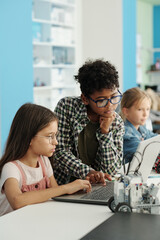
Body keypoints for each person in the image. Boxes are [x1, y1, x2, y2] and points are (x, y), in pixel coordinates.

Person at [0, 103, 91, 216]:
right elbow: (17, 201)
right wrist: (66, 187)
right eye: (49, 136)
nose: (56, 142)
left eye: (55, 135)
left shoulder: (44, 161)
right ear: (29, 138)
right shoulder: (11, 168)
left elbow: (56, 192)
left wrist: (76, 190)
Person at [52, 59, 125, 185]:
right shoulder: (67, 107)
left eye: (114, 97)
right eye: (101, 101)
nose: (110, 106)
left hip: (97, 187)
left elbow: (111, 170)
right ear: (85, 99)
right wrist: (89, 172)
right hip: (64, 185)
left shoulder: (116, 122)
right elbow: (59, 153)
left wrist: (105, 132)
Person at [120, 87, 158, 164]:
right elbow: (145, 151)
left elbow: (156, 139)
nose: (145, 114)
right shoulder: (125, 132)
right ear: (126, 111)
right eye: (140, 109)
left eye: (147, 109)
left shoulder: (141, 129)